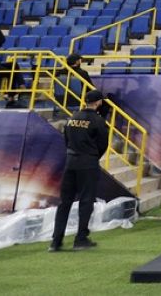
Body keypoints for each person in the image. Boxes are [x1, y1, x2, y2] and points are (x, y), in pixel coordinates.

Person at [49, 90, 109, 251]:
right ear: (98, 102)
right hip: (87, 163)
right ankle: (81, 239)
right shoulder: (98, 121)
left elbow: (66, 139)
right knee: (86, 201)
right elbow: (103, 144)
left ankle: (56, 241)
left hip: (70, 162)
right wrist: (92, 156)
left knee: (64, 202)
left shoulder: (72, 118)